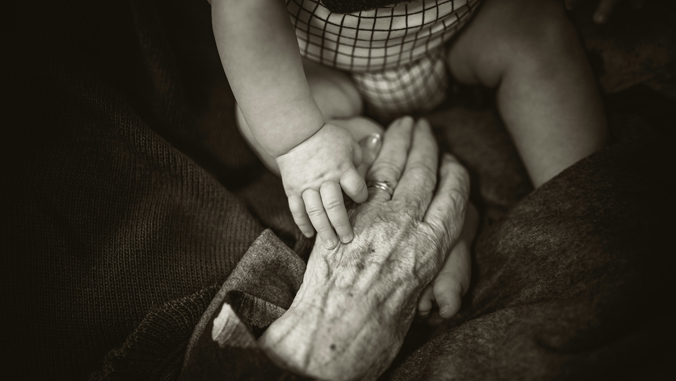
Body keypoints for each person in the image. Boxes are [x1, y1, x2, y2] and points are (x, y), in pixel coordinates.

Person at [210, 0, 608, 319]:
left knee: (538, 33)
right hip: (321, 67)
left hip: (461, 33)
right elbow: (242, 9)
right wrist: (301, 141)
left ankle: (583, 211)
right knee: (265, 121)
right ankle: (440, 227)